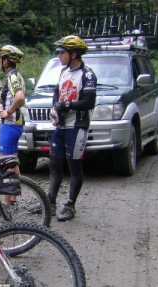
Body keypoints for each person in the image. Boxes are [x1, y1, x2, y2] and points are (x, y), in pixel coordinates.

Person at [48, 35, 97, 221]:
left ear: (74, 54)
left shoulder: (88, 74)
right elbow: (57, 93)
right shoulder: (64, 72)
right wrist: (55, 108)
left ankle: (70, 205)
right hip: (61, 126)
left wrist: (67, 106)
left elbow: (89, 102)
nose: (59, 55)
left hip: (78, 126)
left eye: (62, 52)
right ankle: (50, 202)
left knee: (74, 167)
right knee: (54, 163)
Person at [0, 45, 27, 212]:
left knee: (5, 163)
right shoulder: (15, 76)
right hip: (16, 124)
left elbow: (20, 97)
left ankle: (5, 204)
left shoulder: (12, 78)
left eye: (1, 58)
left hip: (10, 125)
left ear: (6, 60)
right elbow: (13, 97)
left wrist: (8, 111)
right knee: (13, 161)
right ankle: (14, 198)